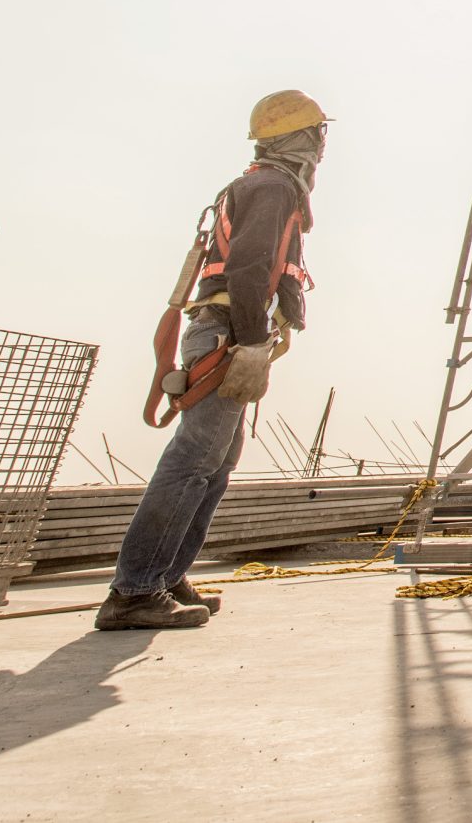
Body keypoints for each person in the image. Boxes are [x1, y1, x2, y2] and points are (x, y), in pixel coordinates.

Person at [94, 90, 327, 632]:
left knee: (215, 465)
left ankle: (165, 574)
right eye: (317, 135)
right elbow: (249, 268)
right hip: (226, 334)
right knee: (193, 461)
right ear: (301, 140)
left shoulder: (261, 184)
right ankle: (133, 591)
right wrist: (248, 342)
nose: (321, 148)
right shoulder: (272, 187)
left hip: (227, 332)